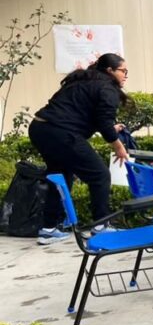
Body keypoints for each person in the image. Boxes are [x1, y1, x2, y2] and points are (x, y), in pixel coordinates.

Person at [29, 53, 131, 244]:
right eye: (123, 71)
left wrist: (111, 128)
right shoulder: (107, 88)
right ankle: (101, 226)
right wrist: (119, 147)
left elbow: (82, 114)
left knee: (60, 174)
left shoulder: (84, 80)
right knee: (100, 175)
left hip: (40, 128)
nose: (126, 75)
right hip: (60, 132)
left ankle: (48, 228)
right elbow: (102, 122)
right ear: (110, 70)